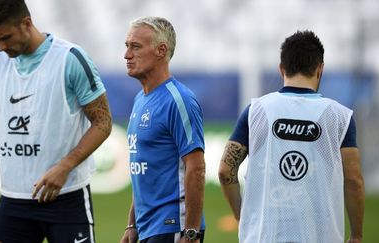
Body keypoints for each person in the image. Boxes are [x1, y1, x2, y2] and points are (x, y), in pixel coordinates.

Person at [0, 0, 112, 242]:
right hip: (14, 199)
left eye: (5, 37)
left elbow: (103, 123)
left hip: (65, 197)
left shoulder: (71, 59)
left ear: (26, 23)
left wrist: (64, 167)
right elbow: (5, 126)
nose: (1, 47)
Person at [218, 30, 365, 243]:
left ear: (282, 68)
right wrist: (357, 236)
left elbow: (225, 171)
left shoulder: (255, 111)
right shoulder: (340, 117)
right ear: (320, 69)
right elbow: (354, 181)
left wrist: (242, 216)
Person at [120, 17, 206, 243]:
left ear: (161, 50)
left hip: (173, 225)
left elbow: (196, 167)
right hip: (148, 226)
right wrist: (132, 223)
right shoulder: (141, 99)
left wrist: (192, 232)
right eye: (127, 46)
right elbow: (144, 170)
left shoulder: (179, 100)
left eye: (135, 47)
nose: (127, 55)